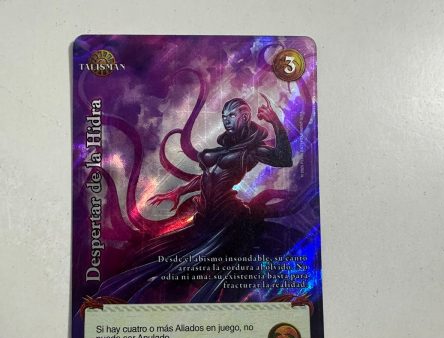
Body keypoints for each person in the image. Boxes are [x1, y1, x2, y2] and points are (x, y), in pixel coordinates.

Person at [94, 95, 295, 303]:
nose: (226, 120)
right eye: (224, 116)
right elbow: (209, 176)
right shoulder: (225, 148)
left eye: (231, 115)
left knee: (198, 268)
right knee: (156, 254)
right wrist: (180, 191)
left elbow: (284, 158)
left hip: (228, 217)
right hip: (205, 216)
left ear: (244, 117)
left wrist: (275, 121)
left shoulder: (252, 150)